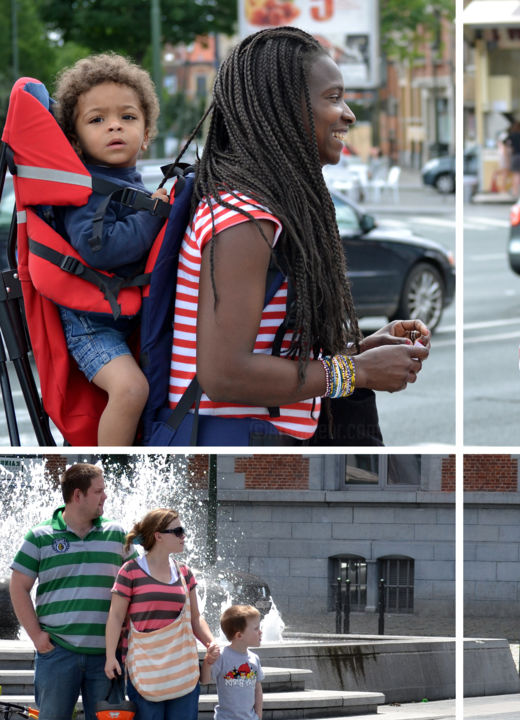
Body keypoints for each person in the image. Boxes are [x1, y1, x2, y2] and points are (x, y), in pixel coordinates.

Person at [169, 26, 430, 445]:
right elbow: (223, 374)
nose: (348, 114)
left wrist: (360, 352)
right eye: (333, 98)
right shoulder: (243, 219)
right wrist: (357, 373)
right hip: (231, 445)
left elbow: (266, 354)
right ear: (284, 110)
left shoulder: (260, 208)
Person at [52, 53, 169, 445]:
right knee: (131, 390)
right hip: (91, 325)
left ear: (147, 132)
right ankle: (112, 468)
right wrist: (156, 212)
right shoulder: (84, 192)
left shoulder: (133, 185)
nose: (115, 125)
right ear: (74, 139)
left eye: (128, 117)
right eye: (97, 119)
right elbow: (101, 248)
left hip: (125, 313)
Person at [9, 463, 135, 720]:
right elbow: (18, 587)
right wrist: (36, 636)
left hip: (106, 657)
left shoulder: (118, 536)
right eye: (99, 491)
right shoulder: (39, 536)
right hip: (57, 653)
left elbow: (138, 585)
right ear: (78, 495)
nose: (106, 496)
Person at [104, 509, 217, 719]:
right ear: (158, 536)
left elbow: (195, 617)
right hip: (145, 670)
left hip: (182, 669)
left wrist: (210, 642)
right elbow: (115, 616)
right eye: (178, 531)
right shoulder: (130, 571)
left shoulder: (185, 572)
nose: (184, 536)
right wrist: (111, 657)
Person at [201, 605, 264, 720]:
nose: (260, 632)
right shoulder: (222, 656)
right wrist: (207, 662)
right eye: (256, 628)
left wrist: (258, 715)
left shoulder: (254, 659)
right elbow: (205, 680)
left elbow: (257, 688)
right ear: (239, 635)